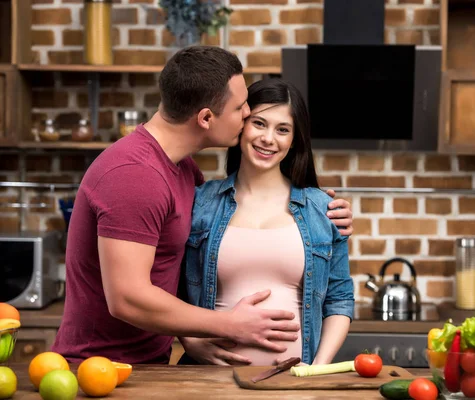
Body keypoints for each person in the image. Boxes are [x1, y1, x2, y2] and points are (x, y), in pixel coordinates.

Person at [51, 45, 354, 364]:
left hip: (147, 366)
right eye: (241, 109)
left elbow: (173, 274)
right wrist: (229, 326)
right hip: (97, 369)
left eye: (282, 129)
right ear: (206, 118)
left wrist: (326, 211)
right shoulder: (135, 176)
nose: (248, 115)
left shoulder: (184, 172)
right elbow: (128, 299)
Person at [177, 78, 354, 367]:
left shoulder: (322, 209)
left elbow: (339, 299)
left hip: (294, 387)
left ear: (295, 139)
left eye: (282, 129)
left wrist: (316, 369)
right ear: (241, 124)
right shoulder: (201, 202)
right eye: (259, 123)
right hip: (208, 381)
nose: (268, 139)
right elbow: (172, 285)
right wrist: (192, 342)